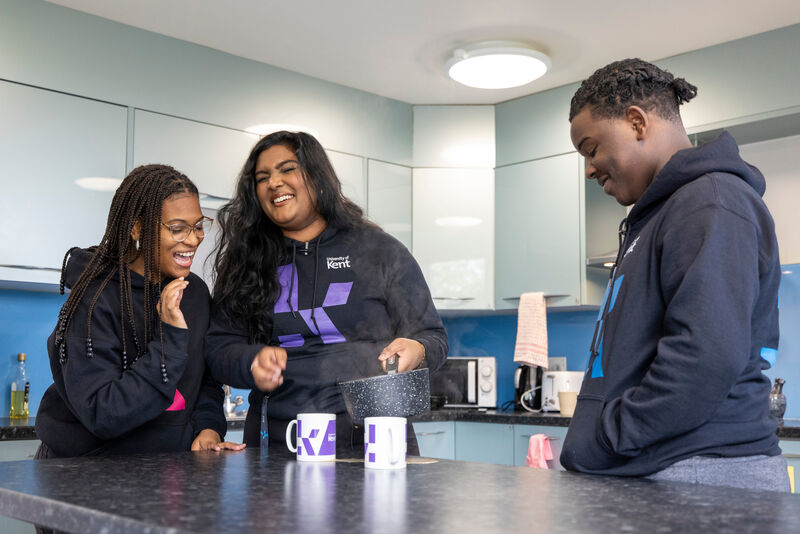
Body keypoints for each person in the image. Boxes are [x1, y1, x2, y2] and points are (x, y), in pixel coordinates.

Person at [560, 58, 789, 491]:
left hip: (701, 473)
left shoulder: (710, 201)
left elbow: (706, 355)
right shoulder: (661, 215)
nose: (589, 169)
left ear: (636, 122)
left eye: (590, 149)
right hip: (670, 470)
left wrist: (610, 435)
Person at [206, 131, 448, 456]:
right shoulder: (246, 262)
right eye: (262, 177)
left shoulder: (380, 250)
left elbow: (433, 336)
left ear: (316, 176)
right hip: (279, 443)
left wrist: (417, 348)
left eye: (287, 169)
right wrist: (251, 362)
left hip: (377, 444)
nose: (274, 182)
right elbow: (219, 348)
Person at [35, 164, 244, 458]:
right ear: (136, 227)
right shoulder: (95, 298)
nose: (194, 239)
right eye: (177, 228)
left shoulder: (193, 292)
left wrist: (207, 428)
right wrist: (170, 337)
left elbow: (204, 380)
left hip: (164, 471)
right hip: (84, 471)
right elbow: (102, 413)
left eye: (198, 226)